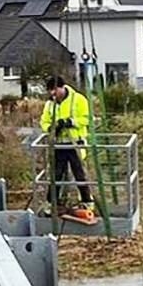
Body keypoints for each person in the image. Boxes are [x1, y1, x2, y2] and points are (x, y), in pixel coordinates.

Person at [38, 75, 97, 225]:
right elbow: (43, 121)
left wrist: (71, 122)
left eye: (55, 90)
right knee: (56, 175)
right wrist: (51, 127)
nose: (53, 94)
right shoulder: (50, 104)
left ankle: (87, 202)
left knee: (79, 174)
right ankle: (51, 204)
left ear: (62, 87)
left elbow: (87, 119)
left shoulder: (78, 100)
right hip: (59, 145)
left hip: (75, 144)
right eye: (50, 91)